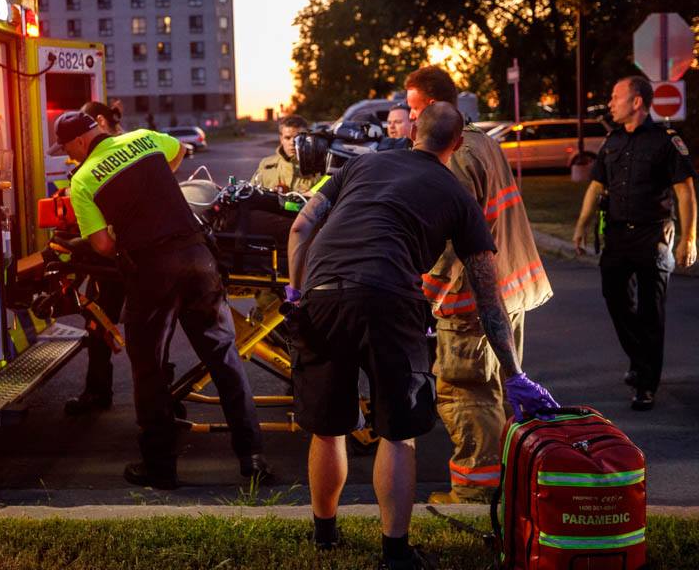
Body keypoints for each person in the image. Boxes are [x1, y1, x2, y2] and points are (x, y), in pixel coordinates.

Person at [286, 102, 557, 569]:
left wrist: (297, 291)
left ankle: (324, 534)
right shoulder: (457, 196)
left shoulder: (361, 165)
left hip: (323, 294)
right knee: (397, 433)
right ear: (456, 144)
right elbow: (489, 297)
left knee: (329, 428)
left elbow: (301, 224)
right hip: (390, 299)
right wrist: (513, 373)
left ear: (413, 130)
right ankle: (395, 552)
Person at [52, 111, 271, 489]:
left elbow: (102, 245)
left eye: (68, 149)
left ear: (79, 142)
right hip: (199, 257)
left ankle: (160, 468)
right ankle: (252, 459)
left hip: (153, 270)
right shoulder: (143, 138)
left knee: (149, 369)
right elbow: (179, 152)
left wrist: (128, 224)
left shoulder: (84, 179)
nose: (69, 156)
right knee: (224, 358)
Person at [405, 66, 553, 504]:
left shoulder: (456, 158)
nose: (411, 122)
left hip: (469, 304)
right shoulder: (485, 143)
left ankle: (473, 495)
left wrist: (424, 289)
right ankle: (506, 489)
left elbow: (453, 242)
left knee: (466, 395)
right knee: (502, 393)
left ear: (433, 106)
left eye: (414, 110)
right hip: (511, 293)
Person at [573, 76, 697, 411]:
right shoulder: (612, 141)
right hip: (617, 236)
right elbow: (597, 187)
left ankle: (646, 383)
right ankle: (640, 358)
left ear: (637, 102)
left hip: (653, 235)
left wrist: (689, 238)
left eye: (616, 97)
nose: (610, 103)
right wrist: (582, 225)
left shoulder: (665, 141)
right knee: (614, 298)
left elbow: (685, 191)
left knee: (650, 311)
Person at [62, 101, 127, 415]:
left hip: (117, 257)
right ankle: (99, 390)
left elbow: (101, 240)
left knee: (100, 323)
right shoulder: (134, 147)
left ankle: (99, 392)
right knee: (104, 325)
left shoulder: (105, 160)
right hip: (128, 252)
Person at [252, 114, 321, 193]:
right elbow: (252, 194)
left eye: (298, 138)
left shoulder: (318, 168)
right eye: (287, 138)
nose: (292, 142)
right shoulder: (266, 165)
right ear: (281, 139)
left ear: (307, 138)